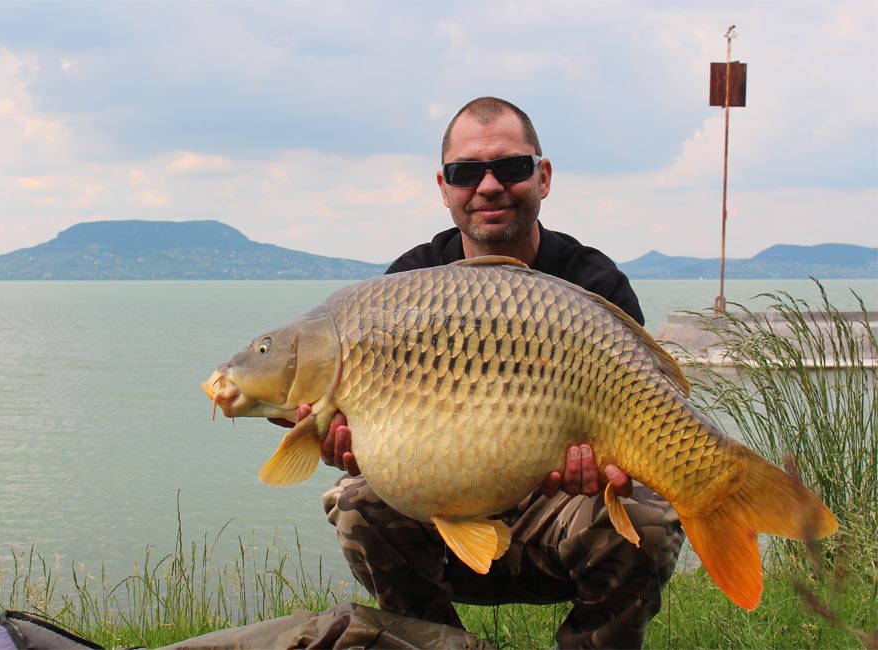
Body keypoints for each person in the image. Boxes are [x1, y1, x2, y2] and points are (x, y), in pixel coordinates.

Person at [280, 97, 684, 649]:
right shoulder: (407, 284)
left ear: (542, 176)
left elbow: (641, 425)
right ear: (443, 188)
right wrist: (349, 445)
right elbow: (370, 439)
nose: (488, 185)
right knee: (356, 501)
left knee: (649, 518)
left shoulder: (594, 284)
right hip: (441, 522)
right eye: (466, 172)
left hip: (557, 520)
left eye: (511, 167)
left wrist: (608, 469)